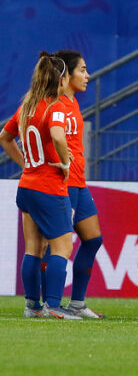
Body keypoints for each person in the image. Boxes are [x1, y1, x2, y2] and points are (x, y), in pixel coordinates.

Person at [0, 52, 78, 319]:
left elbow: (4, 137)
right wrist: (65, 162)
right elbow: (57, 134)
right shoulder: (54, 106)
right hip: (48, 186)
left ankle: (32, 306)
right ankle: (54, 306)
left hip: (27, 185)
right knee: (62, 247)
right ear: (62, 79)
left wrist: (26, 164)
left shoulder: (26, 108)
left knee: (33, 247)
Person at [45, 50, 104, 319]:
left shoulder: (73, 102)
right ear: (66, 75)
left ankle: (77, 303)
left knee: (93, 239)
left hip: (79, 183)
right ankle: (46, 304)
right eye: (82, 70)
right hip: (63, 183)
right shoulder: (55, 104)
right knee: (58, 245)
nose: (87, 75)